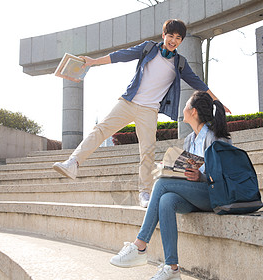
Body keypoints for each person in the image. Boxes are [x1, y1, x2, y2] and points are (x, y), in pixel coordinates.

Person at [53, 19, 230, 208]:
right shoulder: (149, 48)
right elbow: (121, 55)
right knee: (101, 129)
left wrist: (216, 100)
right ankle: (73, 162)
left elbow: (197, 82)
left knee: (147, 151)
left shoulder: (180, 63)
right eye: (170, 35)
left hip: (149, 111)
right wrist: (94, 62)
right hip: (129, 102)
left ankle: (144, 193)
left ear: (181, 41)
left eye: (178, 38)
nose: (173, 40)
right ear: (164, 35)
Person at [109, 91, 231, 280]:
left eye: (186, 105)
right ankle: (172, 268)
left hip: (213, 194)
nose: (183, 108)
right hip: (195, 193)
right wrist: (171, 168)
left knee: (162, 184)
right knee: (166, 200)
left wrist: (199, 176)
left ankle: (140, 245)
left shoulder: (216, 138)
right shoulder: (190, 139)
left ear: (192, 111)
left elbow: (224, 175)